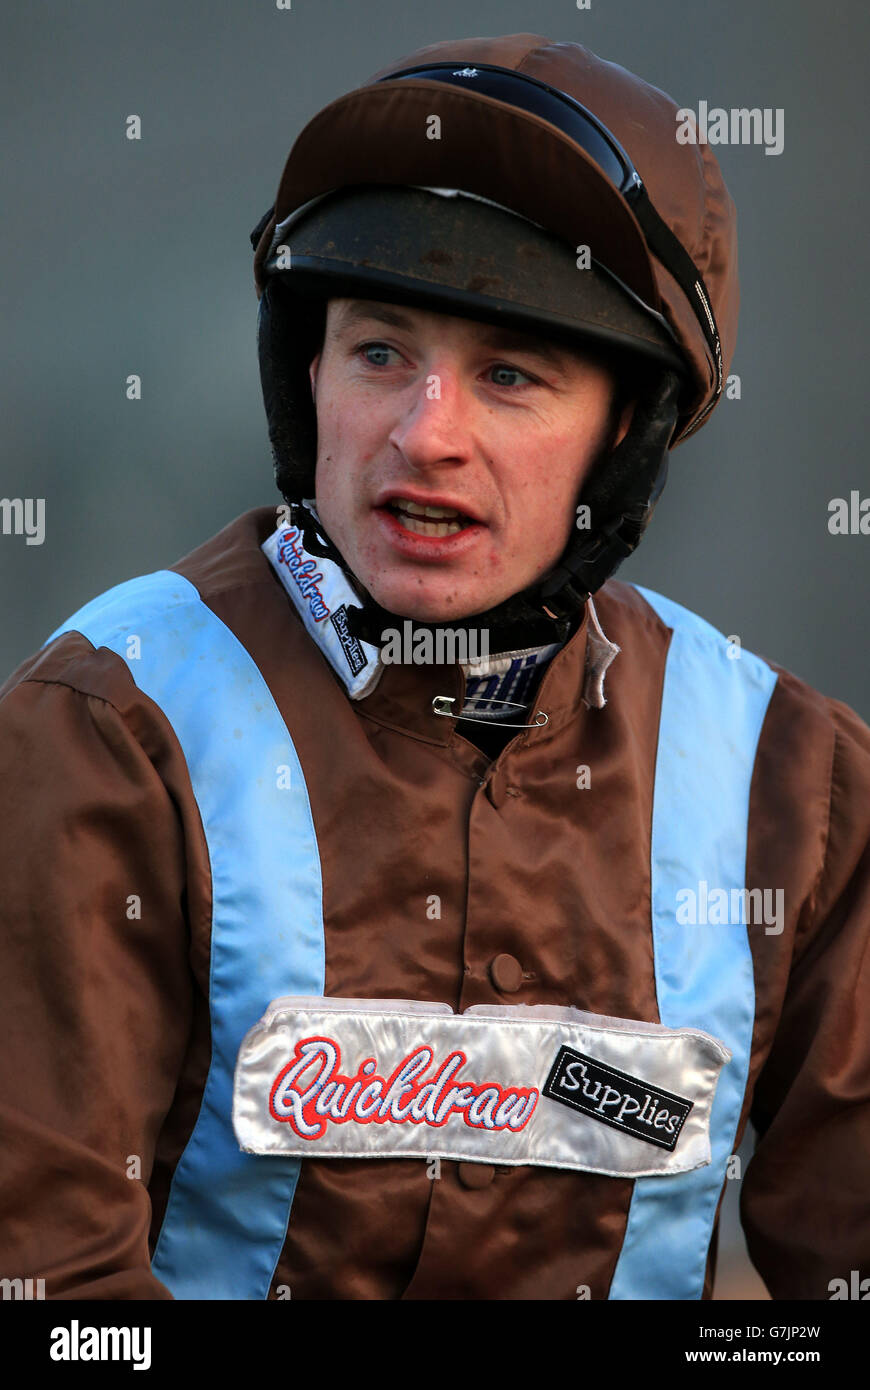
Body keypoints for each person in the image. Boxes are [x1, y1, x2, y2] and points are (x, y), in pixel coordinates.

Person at [0, 32, 868, 1303]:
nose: (425, 433)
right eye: (380, 352)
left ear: (624, 437)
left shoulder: (795, 789)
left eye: (509, 376)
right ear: (307, 377)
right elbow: (50, 1300)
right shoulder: (108, 725)